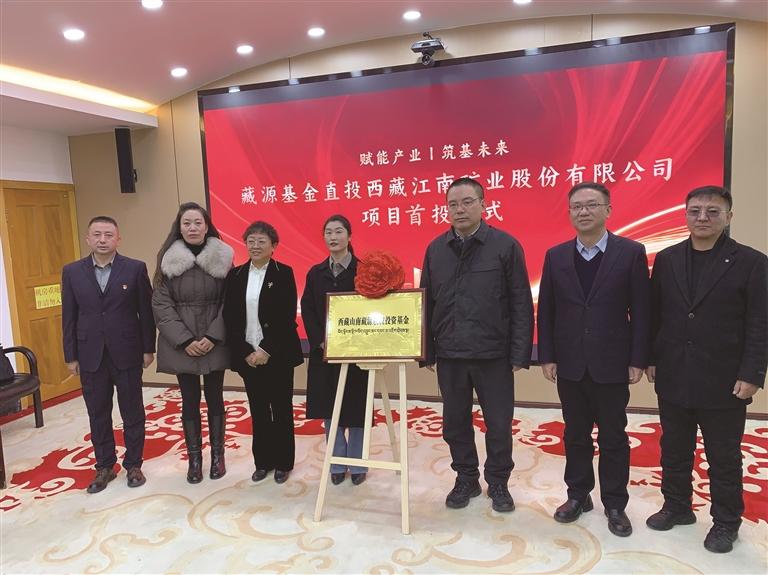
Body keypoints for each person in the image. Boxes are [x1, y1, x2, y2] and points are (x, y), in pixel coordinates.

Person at [645, 185, 767, 553]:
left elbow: (760, 323)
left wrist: (752, 373)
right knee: (674, 448)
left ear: (729, 217)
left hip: (725, 379)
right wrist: (652, 358)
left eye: (712, 212)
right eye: (695, 211)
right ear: (685, 215)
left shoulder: (752, 262)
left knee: (723, 456)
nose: (702, 217)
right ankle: (677, 506)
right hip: (674, 373)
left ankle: (726, 522)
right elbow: (655, 314)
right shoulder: (667, 259)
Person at [537, 182, 650, 537]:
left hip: (612, 362)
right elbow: (548, 310)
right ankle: (578, 494)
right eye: (577, 206)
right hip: (570, 362)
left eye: (591, 205)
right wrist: (547, 355)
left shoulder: (630, 252)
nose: (583, 211)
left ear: (608, 210)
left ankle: (615, 503)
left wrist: (638, 358)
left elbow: (642, 311)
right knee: (575, 434)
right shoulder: (556, 255)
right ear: (570, 212)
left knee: (614, 436)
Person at [419, 177, 534, 513]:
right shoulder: (436, 249)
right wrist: (427, 351)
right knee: (454, 423)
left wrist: (520, 353)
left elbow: (521, 302)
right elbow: (426, 302)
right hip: (451, 353)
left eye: (467, 202)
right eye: (453, 204)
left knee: (498, 424)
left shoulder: (505, 246)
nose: (460, 209)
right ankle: (466, 478)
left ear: (483, 204)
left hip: (493, 354)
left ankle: (498, 482)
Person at [61, 216, 156, 493]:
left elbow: (146, 313)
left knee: (132, 410)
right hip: (90, 353)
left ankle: (134, 464)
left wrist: (148, 348)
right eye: (97, 234)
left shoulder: (135, 268)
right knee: (97, 412)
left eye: (108, 235)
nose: (102, 240)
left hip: (127, 351)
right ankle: (104, 466)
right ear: (88, 238)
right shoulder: (72, 271)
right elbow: (69, 316)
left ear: (118, 239)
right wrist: (70, 355)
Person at [152, 202, 233, 484]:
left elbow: (230, 302)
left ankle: (218, 456)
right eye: (187, 223)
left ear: (207, 226)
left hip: (215, 341)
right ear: (179, 227)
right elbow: (161, 305)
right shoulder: (167, 260)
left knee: (215, 397)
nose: (193, 228)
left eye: (198, 222)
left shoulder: (223, 258)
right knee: (189, 400)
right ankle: (195, 459)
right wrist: (185, 339)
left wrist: (212, 336)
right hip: (182, 344)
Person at [223, 221, 304, 484]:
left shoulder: (284, 273)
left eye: (261, 241)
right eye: (251, 241)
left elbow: (286, 317)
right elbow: (230, 318)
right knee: (258, 410)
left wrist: (266, 349)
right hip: (248, 355)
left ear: (273, 246)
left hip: (277, 354)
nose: (255, 246)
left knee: (281, 409)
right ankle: (263, 462)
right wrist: (246, 352)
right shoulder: (235, 275)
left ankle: (283, 463)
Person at [301, 215, 368, 486]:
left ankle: (358, 464)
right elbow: (308, 309)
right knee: (331, 408)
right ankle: (337, 463)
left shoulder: (365, 271)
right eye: (328, 232)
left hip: (358, 352)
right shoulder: (315, 273)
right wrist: (320, 341)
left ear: (349, 236)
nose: (333, 237)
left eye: (339, 232)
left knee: (358, 407)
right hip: (325, 352)